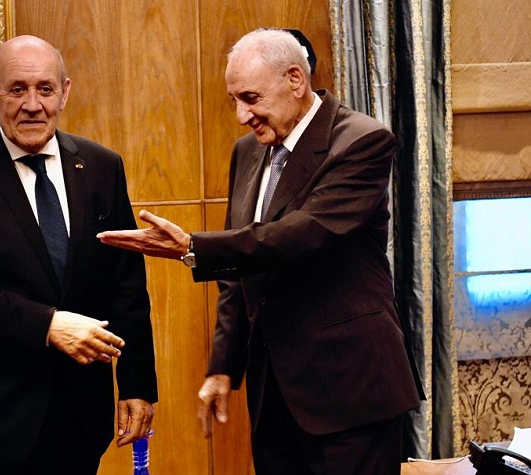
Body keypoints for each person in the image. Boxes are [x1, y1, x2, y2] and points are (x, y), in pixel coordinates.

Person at [98, 28, 421, 474]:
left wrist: (193, 246)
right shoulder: (248, 151)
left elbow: (303, 234)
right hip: (275, 397)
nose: (241, 115)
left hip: (351, 393)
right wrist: (223, 367)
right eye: (234, 100)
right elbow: (242, 269)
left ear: (295, 80)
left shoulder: (361, 140)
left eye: (250, 98)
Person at [0, 35, 157, 475]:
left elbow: (126, 284)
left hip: (77, 420)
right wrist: (47, 325)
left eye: (45, 89)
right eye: (17, 89)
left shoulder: (102, 167)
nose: (33, 105)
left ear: (64, 93)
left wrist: (137, 385)